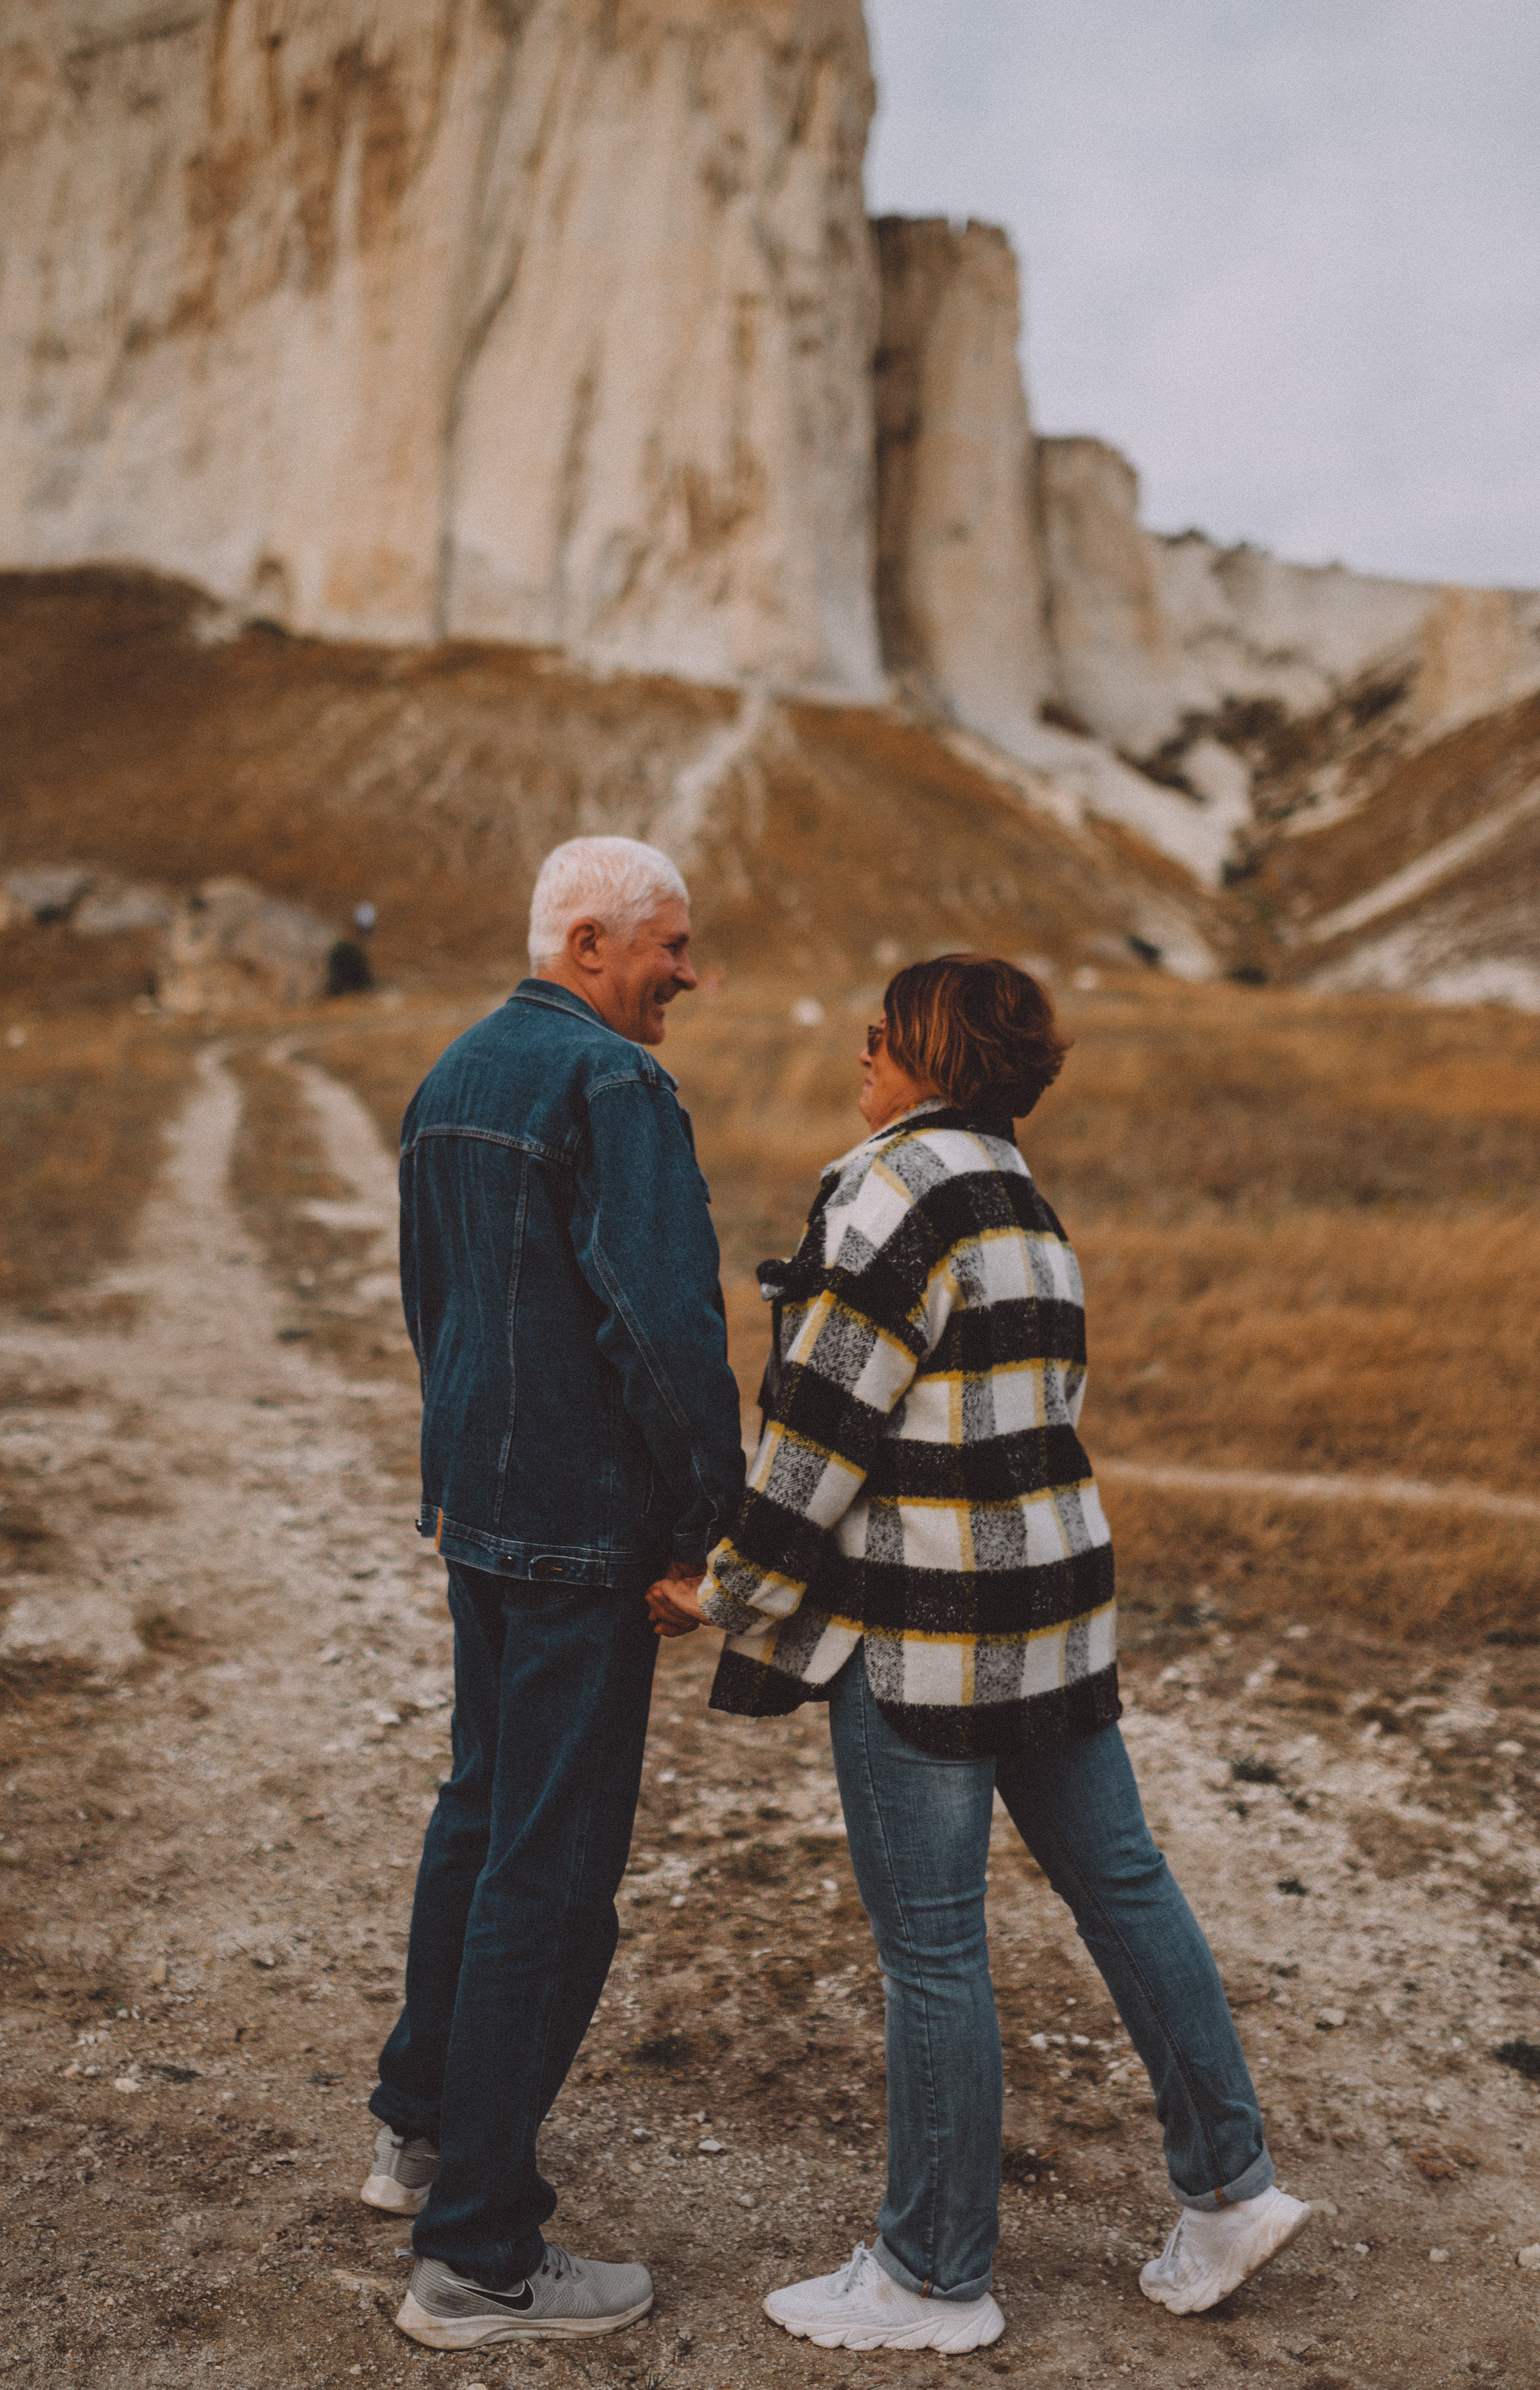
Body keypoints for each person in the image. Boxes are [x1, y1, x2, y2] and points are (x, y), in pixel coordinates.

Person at [648, 953, 1312, 2357]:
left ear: (927, 1048)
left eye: (882, 1026)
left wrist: (726, 1591)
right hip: (1052, 1621)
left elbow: (823, 1428)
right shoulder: (1025, 1203)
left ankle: (933, 2275)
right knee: (1125, 1890)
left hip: (926, 1638)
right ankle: (1229, 2189)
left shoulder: (889, 1191)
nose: (859, 1042)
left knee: (933, 1950)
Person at [369, 836, 746, 2353]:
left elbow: (428, 1303)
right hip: (583, 1530)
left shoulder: (454, 1072)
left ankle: (414, 2130)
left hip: (479, 1509)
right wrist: (700, 1518)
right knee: (550, 1867)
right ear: (586, 942)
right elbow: (663, 1324)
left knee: (478, 1817)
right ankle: (476, 2256)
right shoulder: (613, 1087)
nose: (687, 970)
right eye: (666, 943)